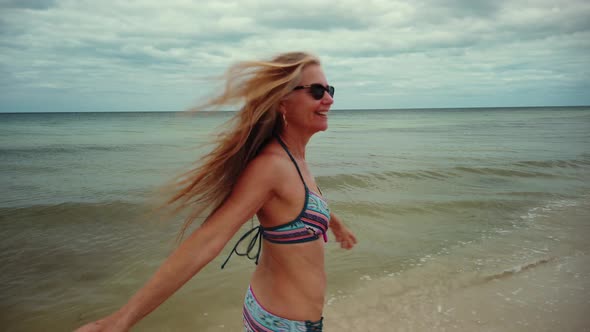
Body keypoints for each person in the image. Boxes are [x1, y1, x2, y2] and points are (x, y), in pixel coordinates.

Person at [75, 51, 357, 332]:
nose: (329, 99)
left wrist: (337, 226)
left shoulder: (294, 159)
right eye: (317, 90)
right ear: (282, 100)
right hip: (282, 327)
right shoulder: (272, 167)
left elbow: (304, 205)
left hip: (290, 319)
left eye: (329, 89)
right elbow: (207, 241)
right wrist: (120, 321)